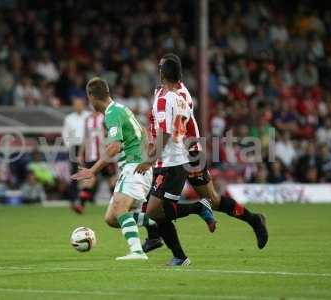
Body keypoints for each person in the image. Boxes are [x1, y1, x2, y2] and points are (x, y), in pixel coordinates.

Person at [139, 54, 268, 263]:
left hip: (187, 153)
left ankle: (253, 220)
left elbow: (172, 129)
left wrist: (154, 155)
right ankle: (173, 249)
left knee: (209, 201)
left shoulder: (180, 95)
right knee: (163, 206)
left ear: (164, 72)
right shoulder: (163, 92)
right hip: (174, 154)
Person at [134, 56, 216, 266]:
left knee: (155, 211)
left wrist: (149, 160)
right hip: (170, 161)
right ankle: (179, 256)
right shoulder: (174, 96)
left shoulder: (165, 99)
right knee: (156, 212)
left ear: (162, 73)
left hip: (172, 162)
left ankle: (198, 208)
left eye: (159, 68)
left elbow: (166, 133)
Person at [72, 77, 153, 260]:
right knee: (111, 218)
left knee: (119, 208)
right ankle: (157, 225)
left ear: (92, 97)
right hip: (134, 167)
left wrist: (92, 170)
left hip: (134, 167)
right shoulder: (120, 109)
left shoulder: (111, 113)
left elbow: (114, 147)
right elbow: (142, 133)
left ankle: (137, 251)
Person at [76, 110, 116, 213]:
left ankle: (117, 205)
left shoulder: (104, 117)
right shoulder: (87, 119)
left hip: (105, 155)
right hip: (91, 156)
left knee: (111, 180)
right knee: (90, 179)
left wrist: (110, 145)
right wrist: (80, 153)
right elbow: (85, 137)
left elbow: (112, 133)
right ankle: (81, 205)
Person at [62, 97, 90, 213]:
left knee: (88, 174)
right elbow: (65, 133)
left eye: (80, 104)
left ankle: (84, 200)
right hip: (74, 147)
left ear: (83, 105)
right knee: (74, 174)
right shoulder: (69, 118)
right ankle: (73, 201)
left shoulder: (88, 116)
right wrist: (69, 147)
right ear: (73, 106)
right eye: (76, 104)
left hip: (87, 148)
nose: (78, 106)